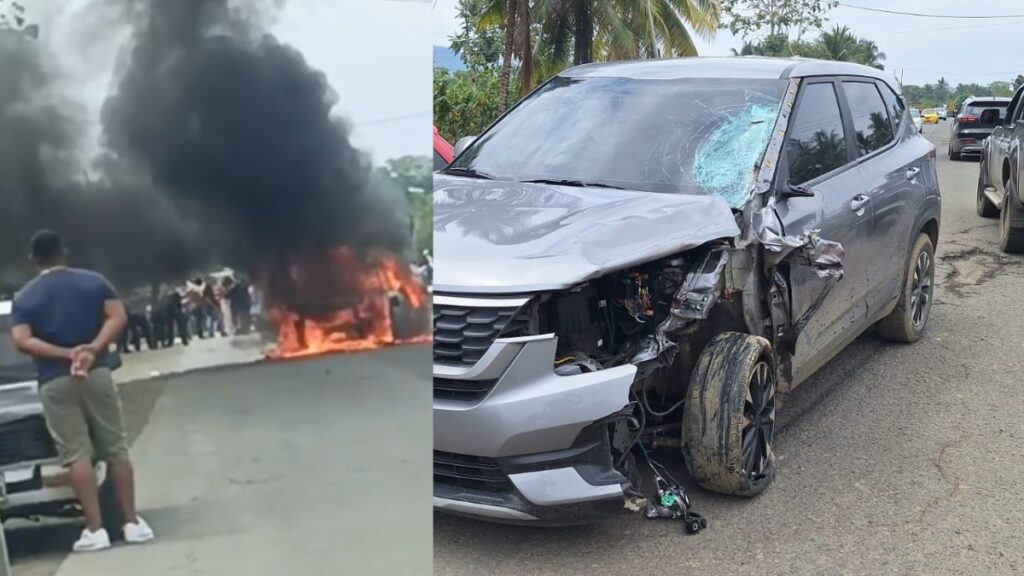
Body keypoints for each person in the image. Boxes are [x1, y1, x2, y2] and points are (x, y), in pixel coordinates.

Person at [9, 230, 154, 552]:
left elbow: (22, 340)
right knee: (116, 449)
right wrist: (92, 349)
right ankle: (131, 523)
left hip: (54, 381)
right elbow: (117, 317)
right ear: (64, 252)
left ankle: (95, 530)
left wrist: (65, 354)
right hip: (97, 373)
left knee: (77, 455)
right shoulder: (94, 282)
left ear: (33, 259)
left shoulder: (25, 297)